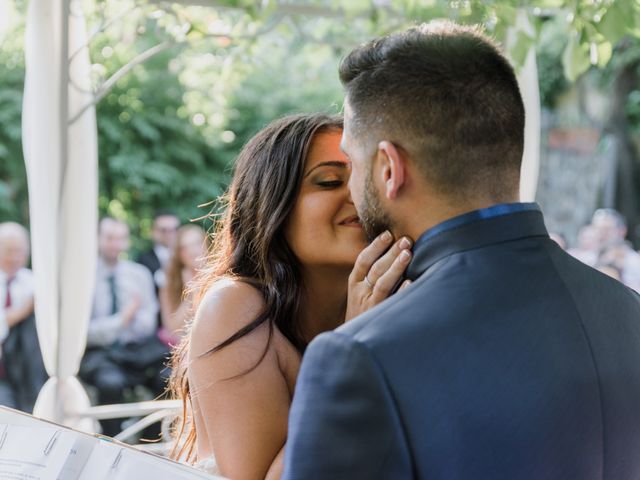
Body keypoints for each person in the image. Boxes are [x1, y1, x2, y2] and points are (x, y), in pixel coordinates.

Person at [283, 21, 640, 479]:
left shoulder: (360, 357)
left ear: (389, 168)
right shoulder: (629, 312)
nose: (351, 188)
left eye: (352, 164)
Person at [169, 113, 410, 478]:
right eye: (330, 181)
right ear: (273, 207)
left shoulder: (393, 304)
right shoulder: (235, 307)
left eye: (366, 178)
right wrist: (352, 348)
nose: (359, 195)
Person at [80, 217, 168, 437]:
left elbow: (147, 325)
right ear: (98, 239)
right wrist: (123, 319)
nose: (115, 244)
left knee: (168, 376)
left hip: (136, 352)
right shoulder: (84, 277)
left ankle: (150, 440)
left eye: (120, 238)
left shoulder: (139, 274)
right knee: (110, 383)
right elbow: (86, 333)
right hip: (101, 355)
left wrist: (120, 324)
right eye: (110, 238)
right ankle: (111, 441)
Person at [0, 222, 46, 412]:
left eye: (20, 251)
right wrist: (23, 311)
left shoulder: (33, 281)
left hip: (27, 369)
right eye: (9, 251)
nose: (15, 257)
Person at [159, 224, 209, 343]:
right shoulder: (169, 284)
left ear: (207, 245)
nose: (193, 251)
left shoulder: (223, 278)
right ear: (179, 254)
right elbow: (172, 328)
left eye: (197, 243)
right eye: (185, 247)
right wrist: (191, 293)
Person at [137, 211, 180, 326]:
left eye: (174, 229)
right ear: (153, 232)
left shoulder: (185, 258)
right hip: (154, 324)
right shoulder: (143, 260)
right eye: (163, 230)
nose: (169, 234)